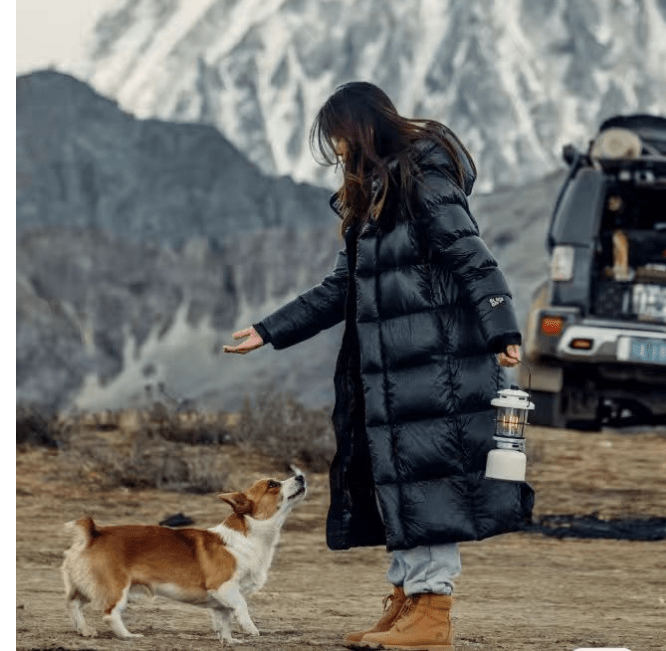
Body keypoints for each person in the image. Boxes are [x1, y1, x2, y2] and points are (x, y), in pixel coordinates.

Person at [224, 82, 534, 651]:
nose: (337, 150)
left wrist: (501, 327)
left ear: (363, 128)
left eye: (339, 137)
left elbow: (472, 256)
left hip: (435, 370)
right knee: (400, 489)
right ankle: (409, 600)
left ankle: (432, 611)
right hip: (391, 375)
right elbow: (342, 288)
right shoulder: (375, 197)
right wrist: (269, 330)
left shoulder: (423, 181)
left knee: (429, 488)